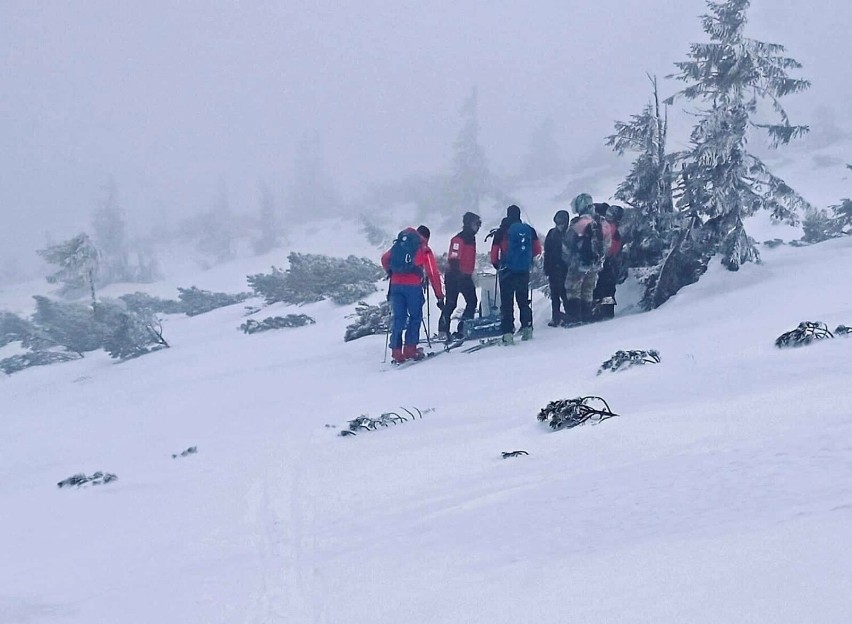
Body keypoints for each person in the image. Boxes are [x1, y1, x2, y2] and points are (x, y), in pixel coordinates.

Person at [381, 225, 444, 363]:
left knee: (399, 318)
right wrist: (439, 295)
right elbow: (433, 273)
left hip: (395, 286)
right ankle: (410, 349)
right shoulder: (423, 248)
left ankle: (396, 352)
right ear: (426, 238)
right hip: (412, 287)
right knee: (415, 317)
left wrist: (392, 272)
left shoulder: (400, 244)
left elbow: (384, 259)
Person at [490, 204, 542, 343]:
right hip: (523, 271)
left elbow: (494, 254)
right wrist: (526, 259)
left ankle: (508, 334)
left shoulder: (501, 231)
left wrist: (498, 264)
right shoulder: (529, 230)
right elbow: (537, 249)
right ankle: (527, 329)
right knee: (523, 301)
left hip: (506, 271)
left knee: (507, 304)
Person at [438, 211, 481, 341]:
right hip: (454, 276)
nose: (478, 227)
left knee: (472, 301)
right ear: (469, 224)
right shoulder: (458, 239)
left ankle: (464, 328)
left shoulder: (471, 238)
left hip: (465, 275)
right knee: (451, 303)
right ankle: (443, 331)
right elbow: (453, 258)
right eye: (476, 224)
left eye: (480, 224)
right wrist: (459, 275)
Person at [562, 194, 604, 324]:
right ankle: (587, 316)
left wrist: (568, 261)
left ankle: (575, 317)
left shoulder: (577, 224)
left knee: (573, 290)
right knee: (588, 290)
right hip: (594, 264)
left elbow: (567, 246)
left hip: (578, 264)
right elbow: (605, 243)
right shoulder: (598, 222)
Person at [592, 204, 625, 320]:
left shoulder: (613, 231)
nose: (608, 217)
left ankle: (606, 311)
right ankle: (601, 310)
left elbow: (612, 249)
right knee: (602, 289)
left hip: (607, 264)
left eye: (611, 216)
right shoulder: (602, 226)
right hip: (603, 264)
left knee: (606, 289)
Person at [544, 209, 571, 327]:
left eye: (561, 223)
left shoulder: (570, 234)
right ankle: (556, 317)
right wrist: (546, 267)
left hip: (565, 269)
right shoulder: (552, 233)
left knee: (565, 294)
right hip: (553, 269)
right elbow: (547, 252)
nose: (559, 225)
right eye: (557, 223)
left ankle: (569, 314)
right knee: (555, 294)